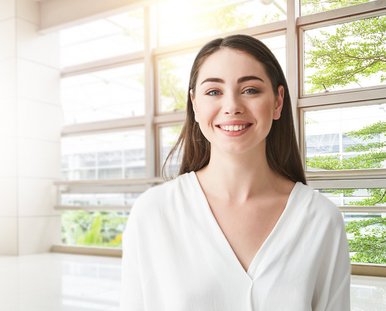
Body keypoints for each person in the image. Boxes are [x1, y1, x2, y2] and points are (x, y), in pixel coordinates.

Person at [120, 34, 351, 311]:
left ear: (278, 101)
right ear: (194, 104)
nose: (232, 106)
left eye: (250, 90)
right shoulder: (153, 212)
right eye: (213, 92)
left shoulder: (321, 219)